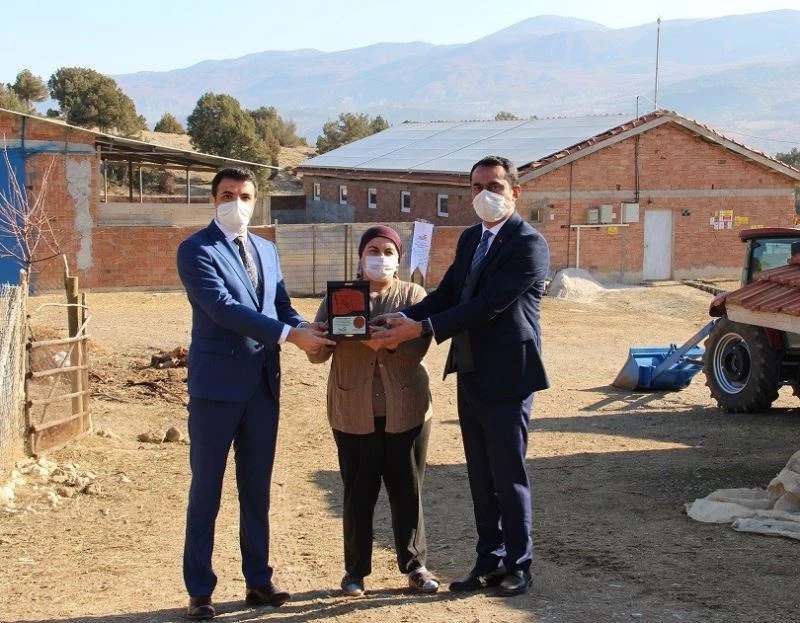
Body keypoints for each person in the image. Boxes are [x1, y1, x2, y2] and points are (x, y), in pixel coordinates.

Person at [371, 156, 550, 597]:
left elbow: (487, 305)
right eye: (476, 187)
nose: (484, 195)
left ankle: (519, 565)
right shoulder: (472, 238)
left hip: (508, 374)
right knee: (480, 476)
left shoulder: (529, 245)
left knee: (507, 474)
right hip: (470, 368)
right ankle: (488, 561)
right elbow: (450, 293)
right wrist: (406, 316)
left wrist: (421, 329)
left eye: (494, 186)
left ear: (515, 192)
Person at [176, 166, 335, 620]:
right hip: (216, 389)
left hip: (262, 386)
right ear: (213, 200)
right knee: (206, 489)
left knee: (256, 489)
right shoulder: (196, 250)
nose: (237, 203)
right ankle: (200, 591)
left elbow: (279, 304)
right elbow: (223, 309)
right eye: (228, 194)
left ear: (255, 200)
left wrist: (309, 327)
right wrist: (290, 336)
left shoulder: (266, 248)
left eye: (245, 196)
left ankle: (259, 581)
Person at [307, 225, 440, 597]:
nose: (380, 258)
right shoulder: (340, 297)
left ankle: (415, 566)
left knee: (407, 490)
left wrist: (381, 341)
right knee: (358, 492)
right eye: (373, 251)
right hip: (353, 410)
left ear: (398, 259)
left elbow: (417, 349)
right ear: (360, 257)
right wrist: (319, 336)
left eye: (388, 251)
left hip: (406, 409)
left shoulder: (413, 295)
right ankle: (354, 572)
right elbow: (318, 355)